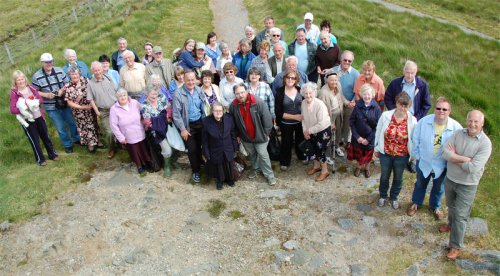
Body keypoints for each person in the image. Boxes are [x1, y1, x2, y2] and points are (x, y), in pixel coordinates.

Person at [439, 110, 492, 260]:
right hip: (451, 179)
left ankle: (455, 246)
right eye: (470, 120)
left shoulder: (485, 144)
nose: (472, 124)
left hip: (468, 184)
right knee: (451, 205)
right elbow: (444, 153)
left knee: (461, 216)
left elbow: (473, 168)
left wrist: (454, 157)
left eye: (476, 121)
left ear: (482, 123)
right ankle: (450, 224)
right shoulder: (458, 134)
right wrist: (465, 159)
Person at [407, 97, 462, 219]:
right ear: (434, 109)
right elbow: (415, 138)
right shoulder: (424, 122)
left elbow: (460, 145)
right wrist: (417, 156)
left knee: (439, 187)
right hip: (424, 161)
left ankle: (436, 206)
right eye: (438, 108)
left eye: (444, 109)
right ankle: (416, 203)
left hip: (442, 164)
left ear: (449, 111)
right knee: (420, 184)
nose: (441, 111)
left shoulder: (456, 127)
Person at [374, 92, 417, 209]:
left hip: (401, 155)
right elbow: (378, 131)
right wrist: (376, 147)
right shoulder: (386, 115)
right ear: (397, 104)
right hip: (385, 153)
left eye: (405, 106)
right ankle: (383, 195)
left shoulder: (412, 120)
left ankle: (394, 197)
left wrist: (413, 154)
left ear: (409, 107)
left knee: (398, 177)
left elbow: (414, 138)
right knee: (384, 176)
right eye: (401, 105)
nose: (402, 108)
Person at [32, 53, 80, 153]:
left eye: (51, 62)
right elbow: (35, 91)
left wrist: (62, 90)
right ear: (42, 63)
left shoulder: (59, 70)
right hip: (50, 106)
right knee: (60, 126)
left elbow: (67, 82)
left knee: (71, 122)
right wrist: (46, 95)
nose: (49, 64)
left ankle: (76, 139)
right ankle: (67, 144)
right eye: (47, 62)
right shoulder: (37, 76)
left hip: (64, 102)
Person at [230, 84, 276, 185]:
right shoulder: (233, 106)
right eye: (237, 93)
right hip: (246, 137)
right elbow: (233, 123)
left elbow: (267, 119)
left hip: (260, 135)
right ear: (235, 94)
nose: (240, 95)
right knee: (252, 154)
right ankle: (256, 169)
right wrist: (237, 135)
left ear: (246, 91)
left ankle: (269, 175)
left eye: (242, 92)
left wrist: (266, 134)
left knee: (263, 155)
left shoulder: (257, 101)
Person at [10, 70, 58, 166]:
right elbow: (13, 109)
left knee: (45, 136)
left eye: (22, 79)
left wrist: (34, 103)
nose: (21, 81)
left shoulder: (31, 87)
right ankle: (40, 159)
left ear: (25, 79)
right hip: (28, 119)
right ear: (15, 81)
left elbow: (40, 100)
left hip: (39, 116)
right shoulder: (14, 93)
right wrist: (25, 108)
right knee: (34, 140)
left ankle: (52, 154)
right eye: (18, 80)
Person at [172, 70, 207, 183]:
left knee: (199, 145)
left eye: (192, 80)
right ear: (184, 80)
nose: (191, 82)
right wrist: (183, 129)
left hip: (199, 122)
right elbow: (176, 114)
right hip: (187, 125)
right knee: (191, 149)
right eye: (188, 80)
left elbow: (203, 106)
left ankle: (200, 162)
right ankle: (195, 171)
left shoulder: (198, 89)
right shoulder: (178, 94)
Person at [62, 65, 104, 154]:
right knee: (86, 128)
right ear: (69, 75)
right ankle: (91, 145)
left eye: (76, 73)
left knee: (94, 124)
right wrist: (82, 107)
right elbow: (69, 102)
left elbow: (93, 91)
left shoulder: (85, 80)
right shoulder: (67, 86)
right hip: (79, 111)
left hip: (90, 108)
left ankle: (98, 142)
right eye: (72, 74)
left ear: (79, 73)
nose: (75, 76)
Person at [110, 88, 151, 174]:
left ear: (127, 95)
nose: (123, 97)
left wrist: (145, 124)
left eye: (124, 95)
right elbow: (113, 126)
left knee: (143, 148)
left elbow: (143, 113)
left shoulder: (135, 103)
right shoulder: (114, 109)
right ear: (117, 98)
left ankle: (146, 162)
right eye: (120, 96)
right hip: (128, 135)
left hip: (139, 131)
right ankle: (139, 165)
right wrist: (120, 138)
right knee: (134, 151)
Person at [202, 102, 238, 190]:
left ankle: (230, 179)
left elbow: (233, 134)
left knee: (228, 163)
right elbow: (204, 140)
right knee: (219, 166)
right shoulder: (206, 121)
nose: (218, 112)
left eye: (220, 110)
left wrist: (235, 147)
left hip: (227, 146)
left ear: (223, 111)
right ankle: (220, 180)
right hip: (215, 148)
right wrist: (206, 153)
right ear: (212, 111)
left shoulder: (229, 118)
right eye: (216, 111)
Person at [347, 84, 381, 178]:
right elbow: (352, 122)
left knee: (368, 155)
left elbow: (378, 126)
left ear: (372, 95)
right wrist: (357, 137)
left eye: (369, 94)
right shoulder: (357, 106)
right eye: (365, 94)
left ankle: (367, 168)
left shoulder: (377, 108)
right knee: (359, 154)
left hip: (370, 138)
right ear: (362, 94)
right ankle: (359, 167)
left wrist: (368, 139)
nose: (367, 96)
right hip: (358, 137)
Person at [275, 70, 307, 171]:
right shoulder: (280, 92)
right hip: (286, 122)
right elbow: (278, 112)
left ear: (296, 80)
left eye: (293, 78)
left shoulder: (300, 90)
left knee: (300, 140)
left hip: (299, 122)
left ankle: (301, 156)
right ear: (284, 79)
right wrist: (294, 117)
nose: (290, 79)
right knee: (286, 142)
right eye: (288, 77)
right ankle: (285, 161)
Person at [141, 84, 174, 177]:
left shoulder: (161, 97)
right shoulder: (144, 104)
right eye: (152, 94)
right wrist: (162, 119)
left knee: (174, 144)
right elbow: (148, 122)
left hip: (168, 126)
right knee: (167, 150)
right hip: (157, 131)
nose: (154, 96)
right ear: (147, 94)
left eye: (156, 93)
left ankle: (173, 161)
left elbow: (168, 110)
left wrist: (162, 119)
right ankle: (167, 166)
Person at [87, 61, 119, 159]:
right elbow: (90, 99)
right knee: (109, 132)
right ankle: (112, 149)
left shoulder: (108, 78)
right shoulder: (91, 84)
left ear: (102, 69)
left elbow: (116, 91)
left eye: (99, 70)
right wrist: (97, 111)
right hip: (103, 111)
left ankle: (121, 144)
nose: (97, 72)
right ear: (92, 71)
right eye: (95, 70)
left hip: (115, 108)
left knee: (120, 128)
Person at [301, 82, 332, 181]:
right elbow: (303, 119)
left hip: (323, 131)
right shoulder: (303, 103)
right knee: (313, 149)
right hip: (311, 131)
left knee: (321, 151)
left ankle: (325, 171)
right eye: (306, 93)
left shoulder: (320, 104)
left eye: (310, 93)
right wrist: (305, 131)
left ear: (315, 92)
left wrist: (308, 131)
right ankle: (316, 166)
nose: (308, 95)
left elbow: (322, 124)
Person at [331, 50, 360, 149]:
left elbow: (357, 89)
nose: (347, 62)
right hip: (336, 101)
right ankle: (337, 141)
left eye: (349, 61)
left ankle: (346, 140)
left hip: (349, 102)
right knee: (337, 122)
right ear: (341, 59)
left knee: (348, 122)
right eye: (345, 60)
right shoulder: (333, 71)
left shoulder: (356, 74)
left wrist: (353, 101)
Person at [318, 71, 350, 161]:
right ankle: (327, 155)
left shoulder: (338, 85)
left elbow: (342, 96)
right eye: (332, 80)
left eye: (336, 80)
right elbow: (322, 110)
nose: (334, 82)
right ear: (327, 80)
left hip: (339, 112)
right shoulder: (323, 92)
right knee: (328, 135)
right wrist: (330, 123)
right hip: (329, 115)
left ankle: (336, 147)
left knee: (339, 131)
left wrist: (347, 103)